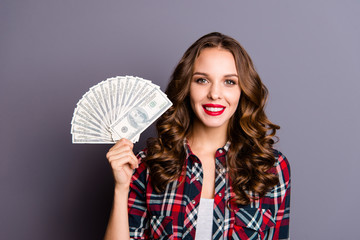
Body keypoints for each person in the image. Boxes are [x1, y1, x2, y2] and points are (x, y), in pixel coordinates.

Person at [104, 32, 291, 240]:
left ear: (243, 90)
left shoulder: (271, 167)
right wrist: (121, 189)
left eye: (229, 82)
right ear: (186, 86)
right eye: (202, 80)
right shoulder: (148, 165)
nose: (214, 94)